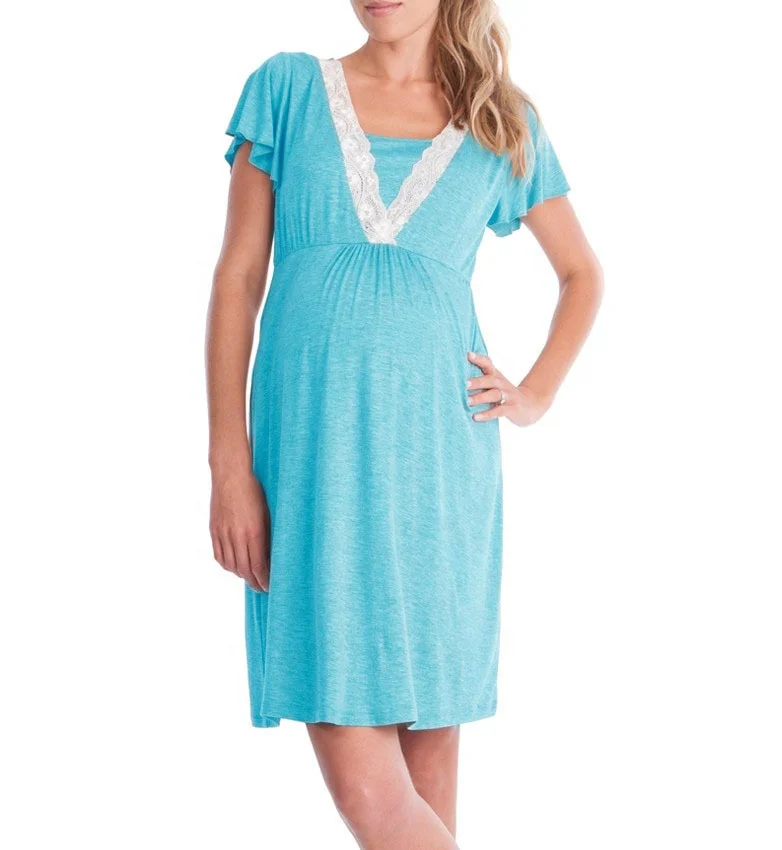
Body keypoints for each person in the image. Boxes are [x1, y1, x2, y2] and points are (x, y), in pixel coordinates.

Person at [205, 1, 603, 846]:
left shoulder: (503, 122)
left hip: (439, 471)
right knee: (371, 791)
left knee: (420, 789)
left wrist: (534, 394)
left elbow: (582, 273)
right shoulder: (287, 90)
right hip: (311, 465)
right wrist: (229, 467)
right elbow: (238, 278)